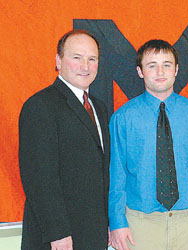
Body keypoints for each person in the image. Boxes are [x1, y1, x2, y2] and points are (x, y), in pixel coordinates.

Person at [109, 39, 188, 250]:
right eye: (152, 65)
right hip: (139, 225)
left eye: (167, 64)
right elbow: (117, 175)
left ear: (176, 69)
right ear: (140, 71)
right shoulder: (123, 118)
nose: (160, 71)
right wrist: (116, 222)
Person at [19, 29, 110, 250]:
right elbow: (38, 177)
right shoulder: (40, 106)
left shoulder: (99, 107)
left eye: (92, 59)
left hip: (93, 234)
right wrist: (57, 233)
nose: (85, 66)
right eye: (76, 57)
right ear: (59, 61)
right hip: (58, 238)